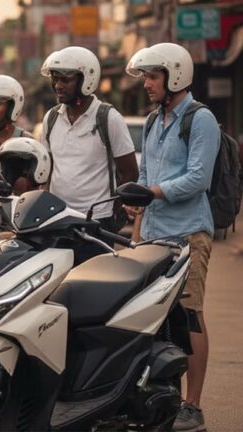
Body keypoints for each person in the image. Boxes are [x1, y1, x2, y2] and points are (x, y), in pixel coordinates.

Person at [126, 43, 220, 432]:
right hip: (152, 233)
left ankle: (192, 406)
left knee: (189, 318)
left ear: (175, 75)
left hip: (188, 233)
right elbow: (146, 175)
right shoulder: (151, 121)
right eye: (145, 76)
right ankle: (158, 396)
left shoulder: (201, 120)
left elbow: (199, 177)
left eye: (153, 76)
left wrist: (154, 192)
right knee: (150, 318)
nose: (147, 84)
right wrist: (137, 208)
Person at [40, 46, 138, 264]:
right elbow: (45, 170)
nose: (58, 86)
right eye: (55, 79)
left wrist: (113, 210)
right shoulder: (51, 118)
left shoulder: (108, 117)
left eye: (65, 80)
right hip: (58, 220)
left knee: (92, 290)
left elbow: (130, 171)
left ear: (87, 80)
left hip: (96, 224)